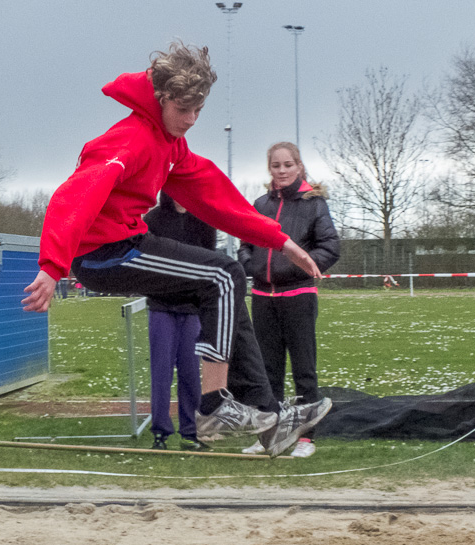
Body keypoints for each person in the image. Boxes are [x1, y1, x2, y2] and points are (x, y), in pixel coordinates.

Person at [22, 42, 332, 457]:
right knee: (225, 274)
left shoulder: (170, 145)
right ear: (161, 98)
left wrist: (281, 240)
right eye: (182, 110)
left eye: (197, 111)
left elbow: (215, 195)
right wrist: (52, 265)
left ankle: (267, 416)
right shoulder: (129, 141)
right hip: (104, 253)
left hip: (129, 242)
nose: (189, 121)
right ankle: (213, 405)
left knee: (224, 295)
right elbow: (75, 195)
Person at [238, 142, 340, 458]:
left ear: (299, 167)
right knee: (267, 371)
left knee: (303, 369)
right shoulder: (259, 204)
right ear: (270, 169)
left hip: (298, 297)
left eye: (288, 165)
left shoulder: (315, 205)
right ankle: (269, 436)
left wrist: (301, 265)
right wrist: (250, 265)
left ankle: (307, 439)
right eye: (276, 166)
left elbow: (330, 247)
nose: (282, 171)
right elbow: (245, 244)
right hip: (262, 298)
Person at [143, 192, 216, 450]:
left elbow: (210, 262)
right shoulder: (152, 220)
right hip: (161, 307)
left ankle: (190, 432)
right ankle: (160, 433)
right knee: (161, 373)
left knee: (189, 373)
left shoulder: (204, 221)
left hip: (191, 310)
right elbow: (145, 262)